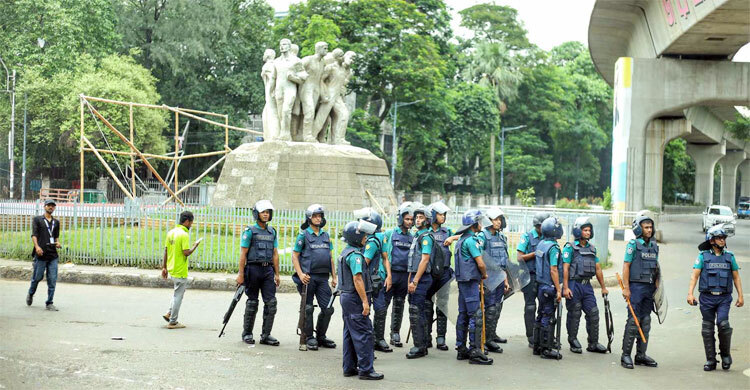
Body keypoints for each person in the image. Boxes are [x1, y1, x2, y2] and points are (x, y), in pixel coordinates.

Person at [687, 225, 744, 371]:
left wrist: (740, 296)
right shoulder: (703, 257)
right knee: (707, 329)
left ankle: (725, 355)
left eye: (723, 238)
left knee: (723, 324)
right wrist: (690, 293)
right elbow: (695, 275)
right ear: (711, 240)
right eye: (719, 238)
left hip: (724, 298)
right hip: (707, 298)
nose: (722, 240)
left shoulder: (729, 257)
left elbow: (736, 277)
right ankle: (711, 360)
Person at [338, 220, 384, 380]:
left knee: (350, 333)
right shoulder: (356, 256)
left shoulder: (346, 252)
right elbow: (358, 279)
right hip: (355, 298)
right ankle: (366, 370)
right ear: (356, 237)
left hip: (346, 297)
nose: (366, 237)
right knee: (364, 332)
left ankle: (349, 367)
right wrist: (365, 301)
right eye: (364, 235)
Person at [405, 202, 449, 359]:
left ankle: (419, 346)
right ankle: (422, 344)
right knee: (419, 311)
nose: (417, 220)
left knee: (416, 311)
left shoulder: (426, 237)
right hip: (417, 277)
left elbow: (424, 260)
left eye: (420, 217)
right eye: (416, 217)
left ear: (428, 220)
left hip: (422, 279)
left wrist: (415, 281)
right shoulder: (418, 235)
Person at [292, 204, 337, 351]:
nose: (318, 218)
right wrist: (300, 274)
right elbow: (295, 255)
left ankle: (321, 336)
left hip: (323, 278)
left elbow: (330, 257)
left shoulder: (325, 236)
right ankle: (309, 337)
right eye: (315, 216)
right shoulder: (303, 235)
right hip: (308, 278)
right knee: (308, 308)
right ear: (309, 218)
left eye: (320, 216)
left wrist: (334, 276)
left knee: (328, 308)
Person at [236, 200, 281, 346]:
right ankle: (247, 333)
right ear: (257, 214)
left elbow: (275, 254)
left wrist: (277, 274)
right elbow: (243, 254)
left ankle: (266, 335)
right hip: (253, 270)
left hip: (268, 270)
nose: (266, 215)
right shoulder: (249, 231)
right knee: (252, 302)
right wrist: (240, 274)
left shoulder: (272, 231)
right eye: (263, 212)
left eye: (268, 212)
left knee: (271, 303)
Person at [561, 217, 608, 354]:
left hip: (587, 286)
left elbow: (598, 269)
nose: (587, 233)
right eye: (585, 230)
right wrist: (565, 287)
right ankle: (573, 340)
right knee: (574, 313)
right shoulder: (570, 248)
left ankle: (593, 343)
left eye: (589, 230)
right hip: (574, 284)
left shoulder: (592, 249)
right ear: (578, 231)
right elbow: (565, 268)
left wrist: (603, 287)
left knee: (593, 313)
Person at [453, 209, 493, 365]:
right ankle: (475, 351)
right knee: (475, 316)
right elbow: (480, 262)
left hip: (463, 281)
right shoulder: (471, 241)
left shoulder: (461, 240)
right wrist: (484, 274)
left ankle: (461, 348)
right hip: (470, 282)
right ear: (474, 224)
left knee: (463, 315)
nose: (481, 225)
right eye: (480, 222)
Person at [620, 215, 659, 369]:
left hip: (649, 289)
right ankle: (626, 355)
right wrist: (626, 288)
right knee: (633, 321)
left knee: (646, 321)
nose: (649, 230)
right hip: (635, 288)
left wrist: (657, 290)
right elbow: (626, 265)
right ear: (639, 229)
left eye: (650, 227)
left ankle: (641, 355)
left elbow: (656, 269)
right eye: (646, 227)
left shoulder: (655, 246)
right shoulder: (633, 245)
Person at [355, 207, 392, 353]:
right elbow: (364, 264)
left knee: (381, 309)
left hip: (375, 280)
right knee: (368, 310)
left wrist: (389, 275)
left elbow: (385, 257)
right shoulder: (372, 240)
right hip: (368, 281)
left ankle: (378, 339)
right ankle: (370, 340)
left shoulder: (375, 240)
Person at [161, 211, 201, 329]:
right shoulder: (183, 234)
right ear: (187, 221)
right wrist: (195, 245)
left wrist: (164, 267)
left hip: (172, 268)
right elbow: (186, 253)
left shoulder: (171, 232)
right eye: (191, 222)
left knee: (177, 293)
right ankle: (173, 321)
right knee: (179, 295)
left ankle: (169, 313)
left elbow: (166, 250)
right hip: (180, 269)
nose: (191, 225)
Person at [517, 211, 550, 347]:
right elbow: (519, 257)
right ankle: (531, 336)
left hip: (544, 277)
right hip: (530, 276)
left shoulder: (548, 238)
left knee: (545, 307)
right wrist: (535, 254)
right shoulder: (527, 237)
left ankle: (544, 336)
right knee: (531, 307)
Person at [384, 202, 414, 348]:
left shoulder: (412, 237)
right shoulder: (390, 234)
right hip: (391, 274)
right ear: (401, 219)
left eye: (411, 219)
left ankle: (394, 333)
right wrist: (387, 275)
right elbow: (385, 256)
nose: (409, 222)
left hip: (404, 276)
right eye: (407, 219)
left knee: (399, 304)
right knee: (383, 305)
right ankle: (377, 336)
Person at [533, 216, 563, 360]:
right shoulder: (553, 248)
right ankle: (546, 348)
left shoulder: (541, 244)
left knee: (540, 314)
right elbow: (553, 269)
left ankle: (537, 346)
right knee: (548, 316)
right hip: (549, 286)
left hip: (540, 285)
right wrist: (558, 289)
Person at [425, 201, 454, 351]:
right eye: (440, 214)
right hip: (429, 273)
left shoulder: (447, 232)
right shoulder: (424, 232)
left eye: (444, 214)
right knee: (427, 305)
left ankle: (441, 337)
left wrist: (452, 238)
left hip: (444, 272)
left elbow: (462, 234)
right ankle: (427, 336)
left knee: (442, 305)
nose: (443, 217)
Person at [26, 199, 62, 311]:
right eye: (49, 205)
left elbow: (56, 236)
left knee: (52, 279)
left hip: (52, 255)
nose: (51, 207)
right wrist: (37, 247)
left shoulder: (56, 222)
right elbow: (34, 235)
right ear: (44, 206)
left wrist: (58, 243)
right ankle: (31, 293)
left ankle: (49, 302)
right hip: (41, 254)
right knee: (37, 277)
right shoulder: (37, 220)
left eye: (53, 206)